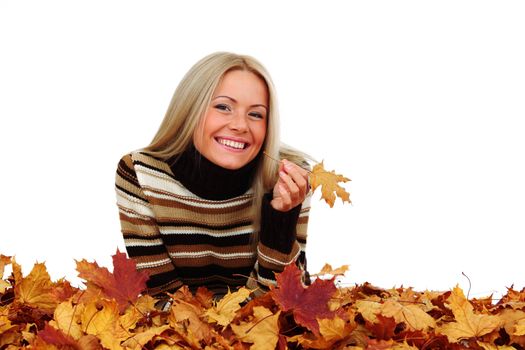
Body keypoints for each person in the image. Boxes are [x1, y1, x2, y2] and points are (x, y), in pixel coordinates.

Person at [115, 52, 312, 300]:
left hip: (258, 333)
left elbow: (291, 304)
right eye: (223, 107)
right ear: (190, 110)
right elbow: (157, 299)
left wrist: (280, 220)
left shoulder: (287, 178)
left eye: (256, 114)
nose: (240, 125)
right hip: (176, 332)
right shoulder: (141, 174)